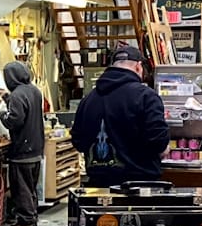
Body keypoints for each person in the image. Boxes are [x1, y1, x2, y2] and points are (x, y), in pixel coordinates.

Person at [69, 44, 169, 187]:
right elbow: (158, 141)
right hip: (139, 187)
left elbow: (78, 141)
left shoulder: (88, 100)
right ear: (138, 67)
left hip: (98, 187)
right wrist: (163, 148)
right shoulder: (146, 96)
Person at [0, 61, 45, 226]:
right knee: (30, 187)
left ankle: (26, 223)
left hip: (22, 151)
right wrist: (7, 98)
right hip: (35, 148)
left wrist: (2, 115)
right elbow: (25, 109)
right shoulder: (34, 91)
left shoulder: (17, 95)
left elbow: (15, 120)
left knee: (21, 189)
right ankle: (31, 218)